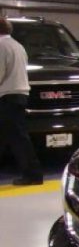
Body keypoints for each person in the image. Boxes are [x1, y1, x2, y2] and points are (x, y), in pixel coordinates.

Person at [0, 16, 42, 186]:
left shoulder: (1, 46)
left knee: (18, 138)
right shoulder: (18, 46)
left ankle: (33, 174)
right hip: (19, 94)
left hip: (6, 96)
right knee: (12, 136)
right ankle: (32, 173)